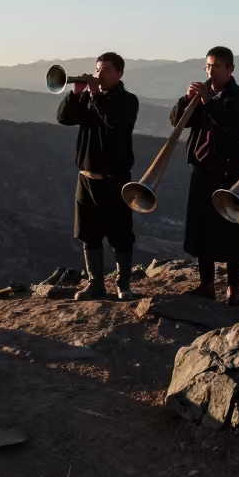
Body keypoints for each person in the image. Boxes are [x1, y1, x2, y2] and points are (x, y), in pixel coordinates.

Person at [170, 46, 239, 305]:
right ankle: (206, 285)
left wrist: (208, 101)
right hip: (202, 169)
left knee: (232, 229)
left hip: (230, 172)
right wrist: (186, 100)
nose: (210, 71)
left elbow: (233, 125)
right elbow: (177, 121)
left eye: (216, 66)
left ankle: (234, 289)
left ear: (230, 69)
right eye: (207, 66)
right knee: (201, 228)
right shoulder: (201, 97)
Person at [56, 52, 140, 301]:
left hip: (116, 180)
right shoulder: (88, 99)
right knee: (89, 233)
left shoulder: (128, 101)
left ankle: (123, 285)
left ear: (119, 73)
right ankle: (95, 284)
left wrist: (94, 95)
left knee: (121, 235)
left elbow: (114, 121)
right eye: (97, 69)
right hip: (86, 178)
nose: (98, 74)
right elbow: (64, 118)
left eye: (104, 70)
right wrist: (75, 93)